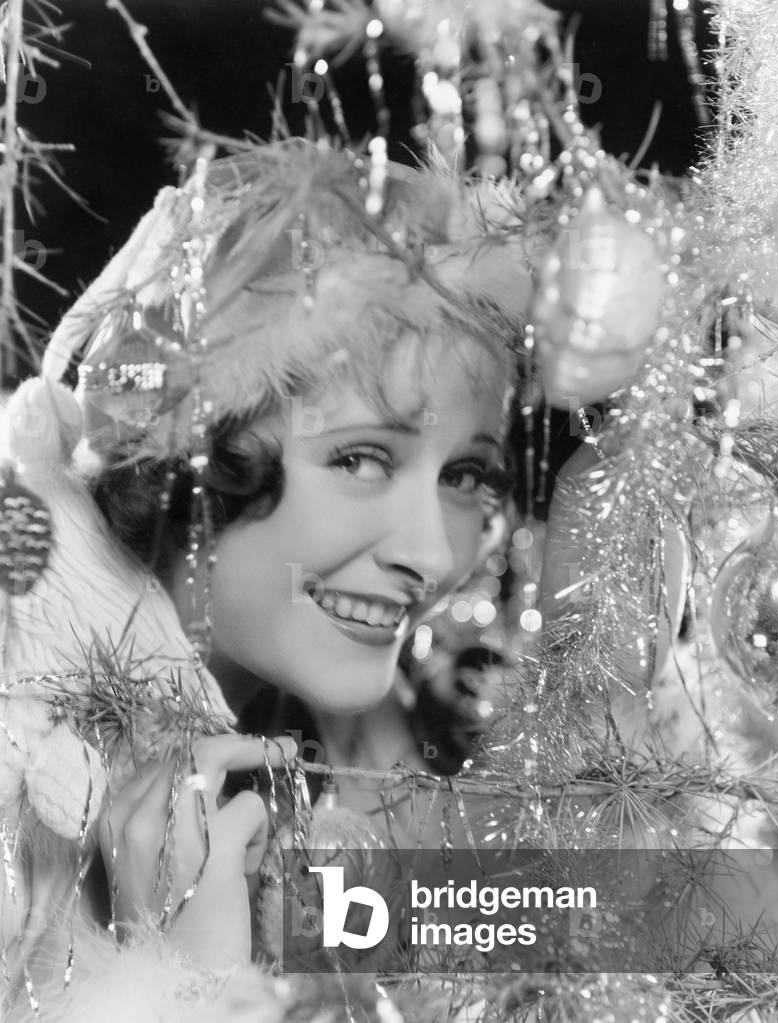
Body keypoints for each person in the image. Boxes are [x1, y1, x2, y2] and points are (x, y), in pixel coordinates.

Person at [0, 138, 532, 1020]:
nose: (435, 557)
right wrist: (179, 989)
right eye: (363, 458)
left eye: (465, 476)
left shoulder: (295, 756)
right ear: (193, 454)